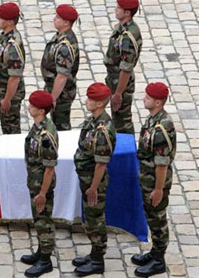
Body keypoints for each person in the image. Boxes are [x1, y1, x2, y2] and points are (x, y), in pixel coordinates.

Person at [72, 83, 116, 276]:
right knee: (90, 219)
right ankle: (93, 253)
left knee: (95, 220)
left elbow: (101, 163)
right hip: (86, 178)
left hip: (93, 181)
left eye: (90, 99)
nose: (86, 101)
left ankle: (98, 260)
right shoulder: (94, 122)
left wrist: (93, 187)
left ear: (99, 103)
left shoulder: (103, 130)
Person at [132, 82, 176, 277]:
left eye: (148, 97)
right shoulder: (154, 120)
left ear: (158, 102)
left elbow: (161, 164)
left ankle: (159, 259)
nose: (144, 99)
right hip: (147, 176)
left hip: (155, 180)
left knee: (157, 218)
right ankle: (155, 251)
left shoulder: (161, 129)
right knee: (151, 215)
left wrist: (158, 190)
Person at [20, 90, 58, 277]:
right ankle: (41, 252)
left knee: (44, 222)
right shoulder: (38, 128)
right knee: (38, 219)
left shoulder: (46, 135)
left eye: (33, 106)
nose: (29, 107)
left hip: (42, 184)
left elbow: (50, 168)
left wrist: (42, 193)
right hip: (34, 181)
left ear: (42, 111)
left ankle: (46, 260)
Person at [104, 0, 142, 134]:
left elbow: (126, 69)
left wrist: (118, 93)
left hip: (121, 83)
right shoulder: (122, 28)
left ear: (127, 13)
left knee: (122, 122)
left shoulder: (127, 37)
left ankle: (127, 152)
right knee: (117, 118)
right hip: (114, 78)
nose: (116, 9)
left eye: (119, 8)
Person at [41, 4, 79, 131]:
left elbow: (62, 76)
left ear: (66, 23)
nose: (54, 19)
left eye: (58, 17)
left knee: (61, 127)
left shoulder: (64, 46)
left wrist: (53, 98)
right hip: (55, 89)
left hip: (62, 94)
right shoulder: (61, 36)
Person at [0, 2, 26, 134]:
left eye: (1, 18)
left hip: (10, 92)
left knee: (11, 130)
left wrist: (7, 99)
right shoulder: (6, 36)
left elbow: (14, 77)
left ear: (10, 22)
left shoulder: (12, 46)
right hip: (3, 89)